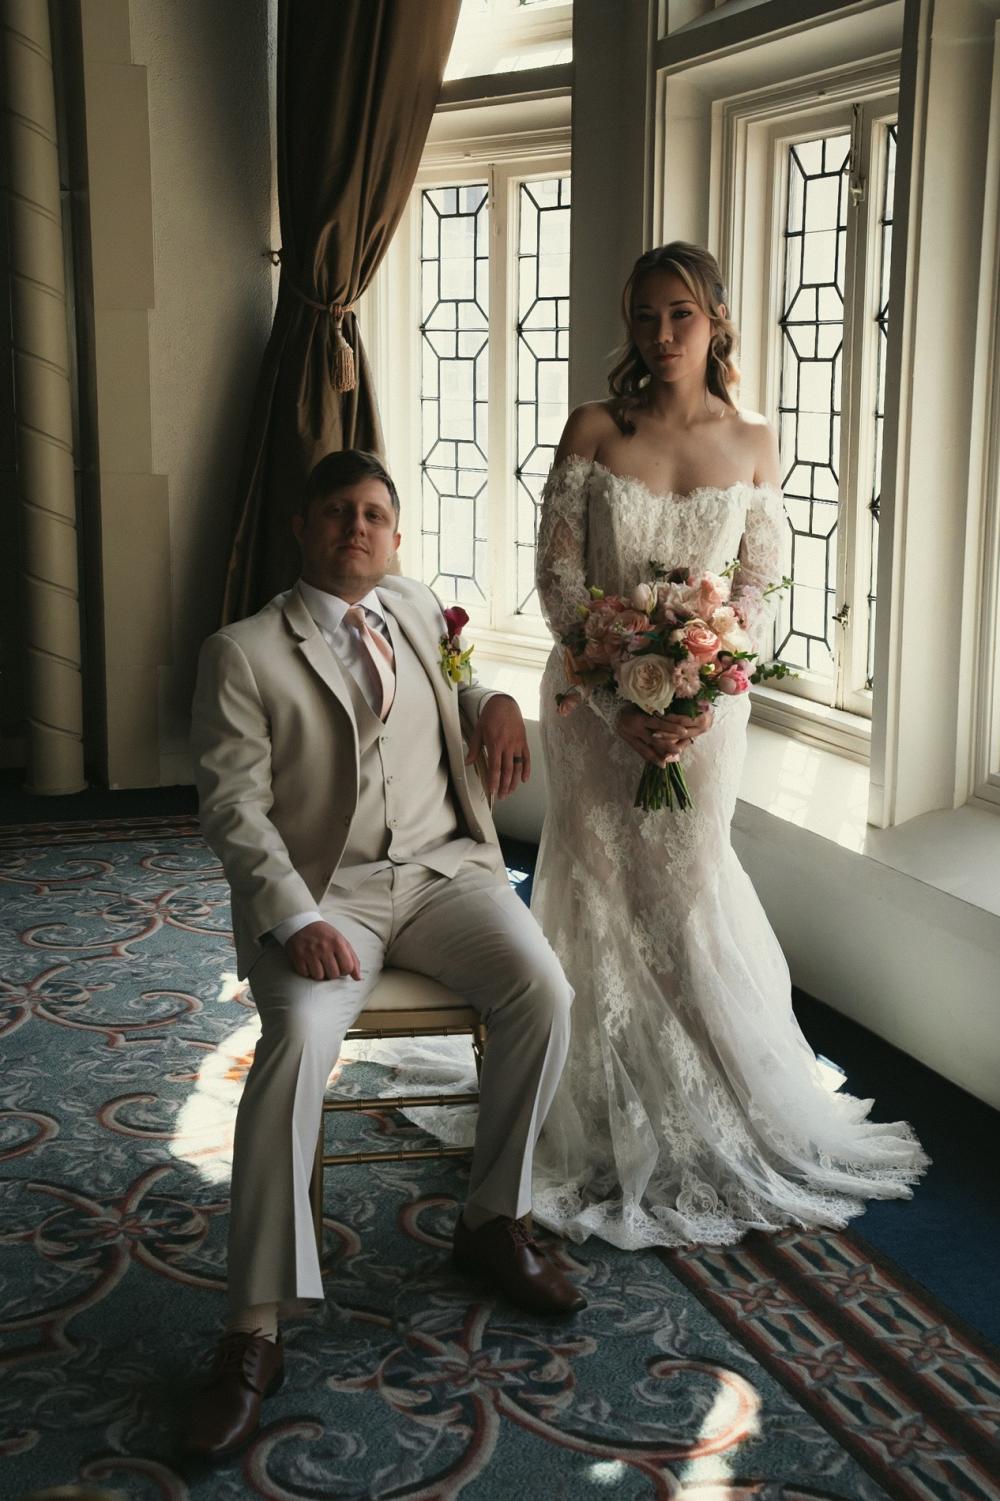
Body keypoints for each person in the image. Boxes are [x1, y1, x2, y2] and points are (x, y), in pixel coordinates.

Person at [184, 448, 583, 1463]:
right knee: (295, 1044)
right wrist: (291, 918)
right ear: (304, 527)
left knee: (544, 992)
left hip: (447, 873)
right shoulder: (243, 652)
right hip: (328, 896)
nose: (356, 527)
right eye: (337, 511)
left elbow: (459, 682)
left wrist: (490, 699)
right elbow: (233, 810)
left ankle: (492, 1219)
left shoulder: (413, 604)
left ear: (395, 535)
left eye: (373, 513)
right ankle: (254, 1328)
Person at [528, 241, 928, 1249]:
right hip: (593, 703)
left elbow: (752, 590)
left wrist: (701, 685)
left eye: (680, 315)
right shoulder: (595, 427)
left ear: (715, 322)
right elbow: (559, 581)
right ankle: (593, 1103)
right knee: (600, 882)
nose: (661, 334)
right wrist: (618, 698)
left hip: (705, 713)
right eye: (645, 316)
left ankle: (708, 1099)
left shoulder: (753, 441)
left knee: (684, 885)